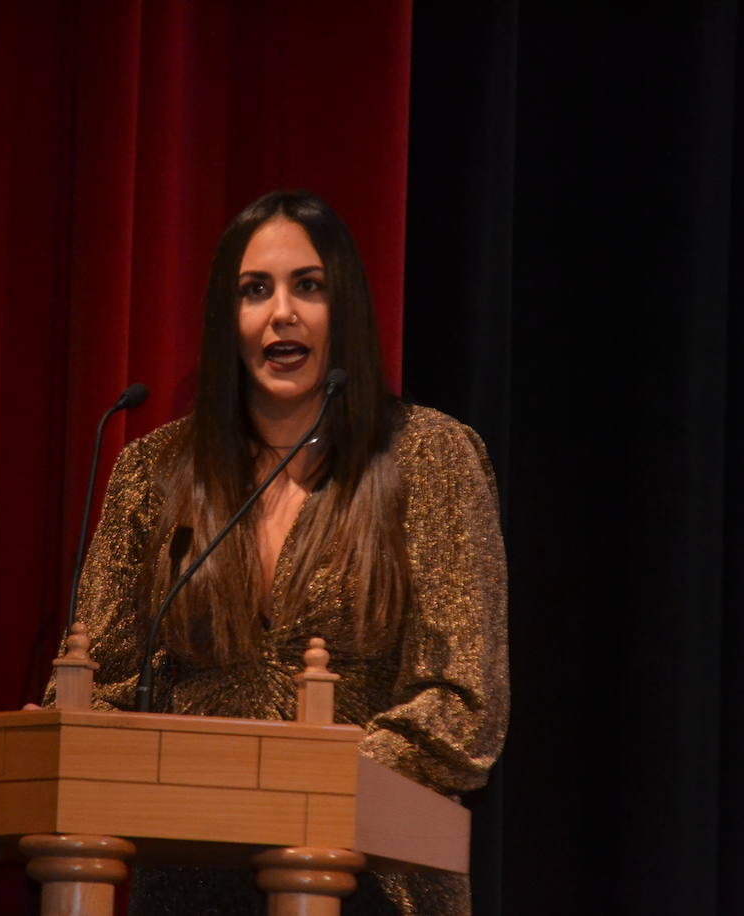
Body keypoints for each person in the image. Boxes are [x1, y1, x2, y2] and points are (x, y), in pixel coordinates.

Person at [63, 190, 508, 915]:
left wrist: (303, 781)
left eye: (309, 286)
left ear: (348, 312)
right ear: (226, 322)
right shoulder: (155, 472)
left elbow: (463, 710)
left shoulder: (431, 459)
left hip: (373, 878)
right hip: (192, 878)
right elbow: (98, 685)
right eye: (254, 291)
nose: (282, 313)